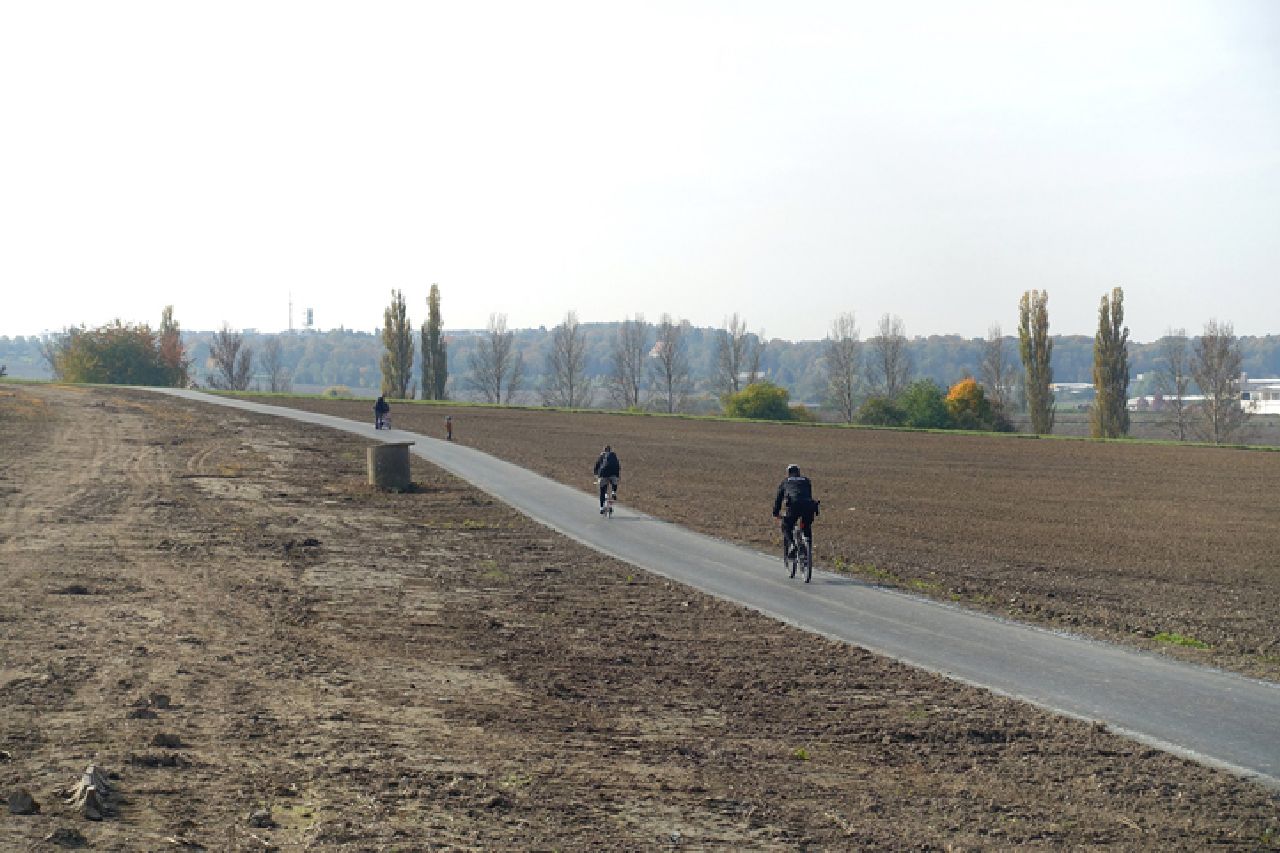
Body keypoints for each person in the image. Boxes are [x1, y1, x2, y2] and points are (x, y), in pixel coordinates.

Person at [772, 463, 819, 557]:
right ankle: (807, 547)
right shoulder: (806, 481)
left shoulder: (785, 482)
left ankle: (792, 545)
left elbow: (779, 499)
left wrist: (776, 512)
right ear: (799, 472)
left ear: (788, 473)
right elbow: (808, 494)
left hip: (794, 505)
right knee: (806, 526)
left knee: (787, 525)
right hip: (809, 505)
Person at [592, 444, 621, 514]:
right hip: (614, 474)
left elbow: (597, 466)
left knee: (602, 489)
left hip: (604, 475)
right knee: (614, 483)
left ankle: (602, 508)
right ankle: (614, 492)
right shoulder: (614, 456)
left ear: (604, 450)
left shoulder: (602, 456)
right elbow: (619, 467)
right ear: (610, 450)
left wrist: (596, 474)